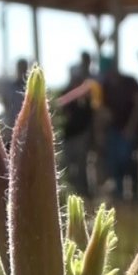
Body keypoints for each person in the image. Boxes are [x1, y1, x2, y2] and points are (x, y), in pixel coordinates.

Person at [100, 55, 138, 201]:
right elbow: (103, 108)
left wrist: (131, 127)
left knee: (129, 162)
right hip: (114, 130)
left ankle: (134, 194)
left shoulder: (129, 82)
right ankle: (119, 194)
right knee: (115, 162)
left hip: (129, 129)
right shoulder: (105, 85)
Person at [62, 52, 98, 197]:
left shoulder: (87, 93)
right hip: (68, 135)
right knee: (68, 166)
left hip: (82, 134)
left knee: (83, 166)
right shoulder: (65, 93)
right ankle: (70, 194)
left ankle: (85, 193)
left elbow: (91, 114)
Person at [1, 58, 30, 142]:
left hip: (28, 127)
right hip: (12, 125)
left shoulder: (29, 88)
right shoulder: (10, 87)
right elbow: (6, 104)